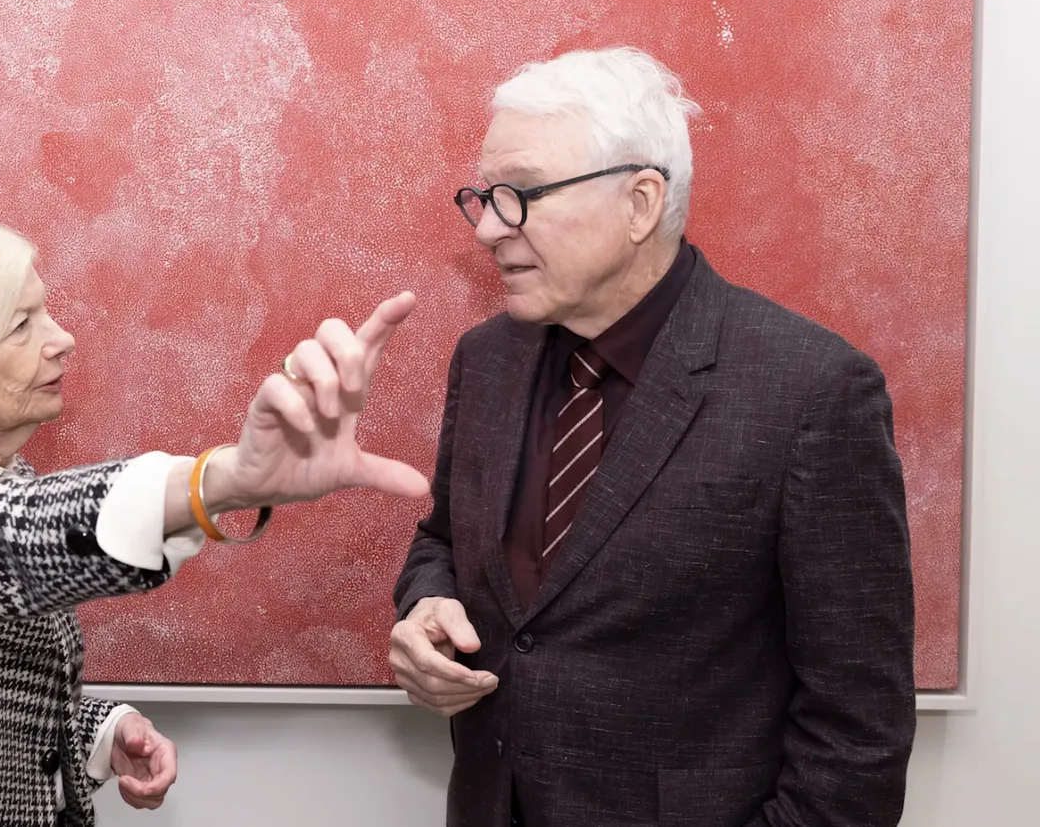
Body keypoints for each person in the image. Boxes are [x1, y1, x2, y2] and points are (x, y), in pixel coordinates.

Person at [390, 47, 916, 827]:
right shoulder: (487, 359)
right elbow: (441, 539)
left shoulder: (812, 391)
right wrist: (428, 606)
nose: (488, 229)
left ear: (640, 203)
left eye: (520, 194)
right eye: (483, 197)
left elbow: (858, 737)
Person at [0, 215, 426, 827]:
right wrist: (219, 481)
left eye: (46, 312)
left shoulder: (10, 485)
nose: (62, 338)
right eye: (20, 324)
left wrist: (98, 732)